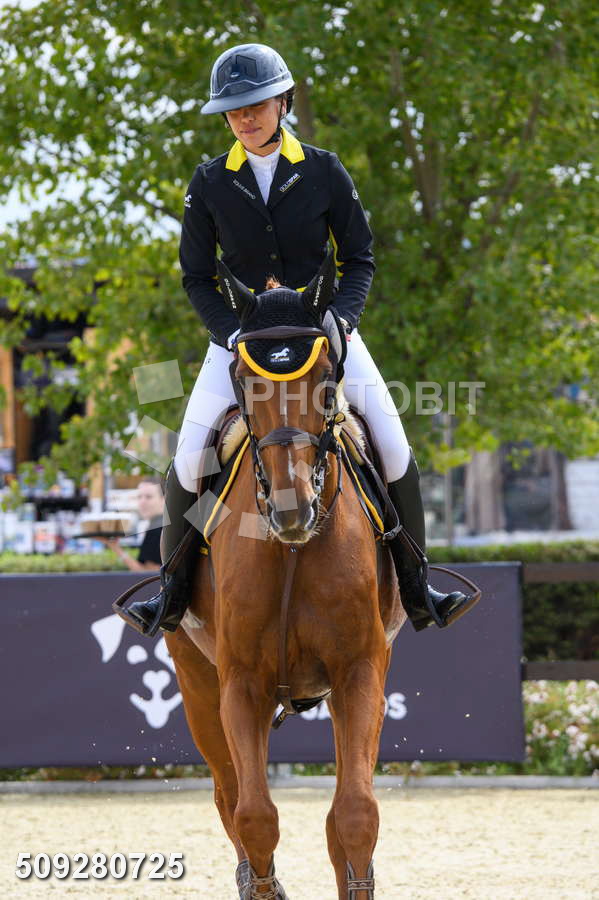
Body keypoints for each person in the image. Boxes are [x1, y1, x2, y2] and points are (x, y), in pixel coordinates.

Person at [125, 43, 475, 637]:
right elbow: (196, 277)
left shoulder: (323, 170)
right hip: (242, 342)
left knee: (393, 445)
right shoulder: (209, 182)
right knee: (186, 458)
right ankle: (172, 594)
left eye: (256, 106)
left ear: (282, 103)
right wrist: (230, 333)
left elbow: (359, 258)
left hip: (322, 339)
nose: (245, 119)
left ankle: (419, 589)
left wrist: (341, 320)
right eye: (234, 111)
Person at [101, 477, 163, 571]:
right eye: (139, 497)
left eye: (149, 497)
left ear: (164, 499)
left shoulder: (157, 529)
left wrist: (116, 548)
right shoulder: (163, 524)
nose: (142, 502)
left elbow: (148, 573)